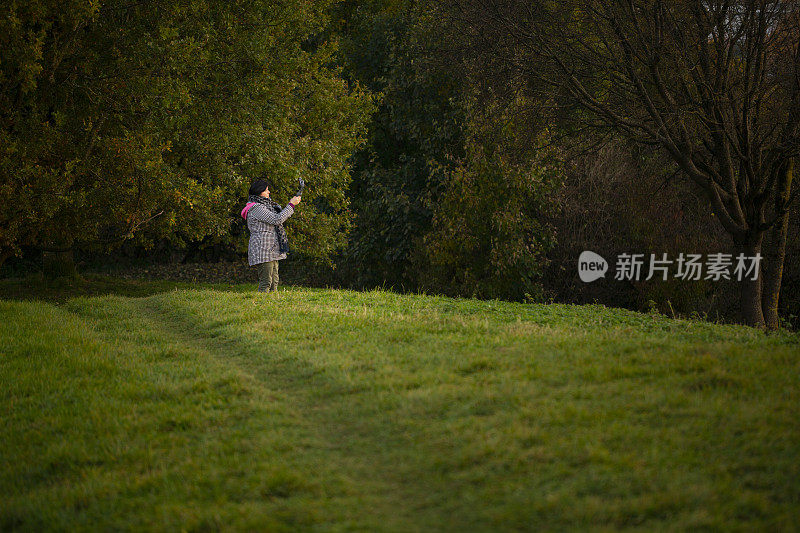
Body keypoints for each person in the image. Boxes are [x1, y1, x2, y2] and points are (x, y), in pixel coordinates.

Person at [241, 179, 301, 292]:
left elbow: (279, 218)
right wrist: (291, 204)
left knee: (274, 282)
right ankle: (259, 306)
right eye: (266, 190)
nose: (269, 192)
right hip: (263, 249)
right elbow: (277, 219)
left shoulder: (266, 206)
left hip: (271, 249)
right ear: (259, 192)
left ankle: (272, 306)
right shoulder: (256, 208)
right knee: (266, 282)